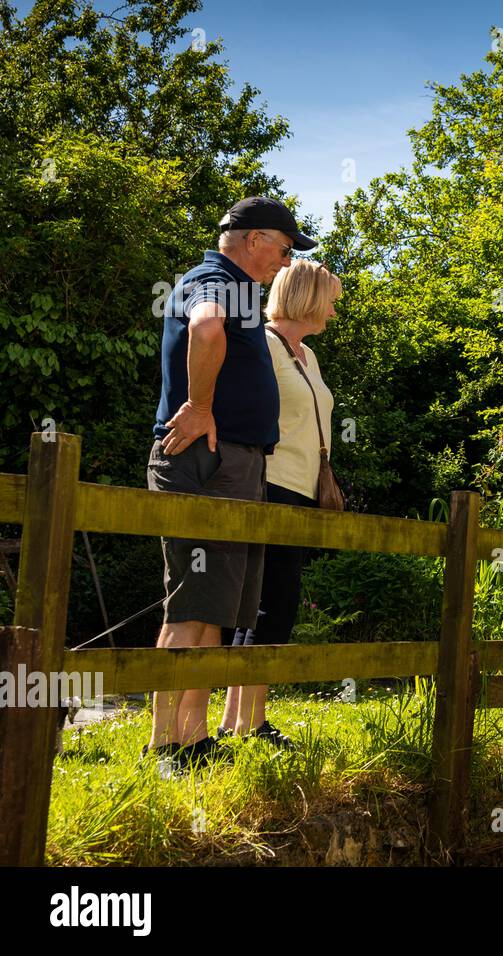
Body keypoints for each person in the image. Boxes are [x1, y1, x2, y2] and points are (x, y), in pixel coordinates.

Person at [144, 197, 317, 771]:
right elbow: (205, 326)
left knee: (215, 611)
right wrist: (197, 406)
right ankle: (167, 744)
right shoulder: (220, 280)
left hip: (232, 463)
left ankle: (193, 740)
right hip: (207, 462)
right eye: (284, 249)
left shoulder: (235, 285)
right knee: (189, 608)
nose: (284, 262)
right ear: (253, 240)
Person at [218, 260, 341, 747]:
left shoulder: (308, 356)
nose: (334, 309)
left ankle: (241, 721)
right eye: (330, 298)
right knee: (268, 605)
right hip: (269, 486)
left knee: (274, 605)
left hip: (303, 490)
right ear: (308, 297)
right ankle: (246, 722)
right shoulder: (263, 345)